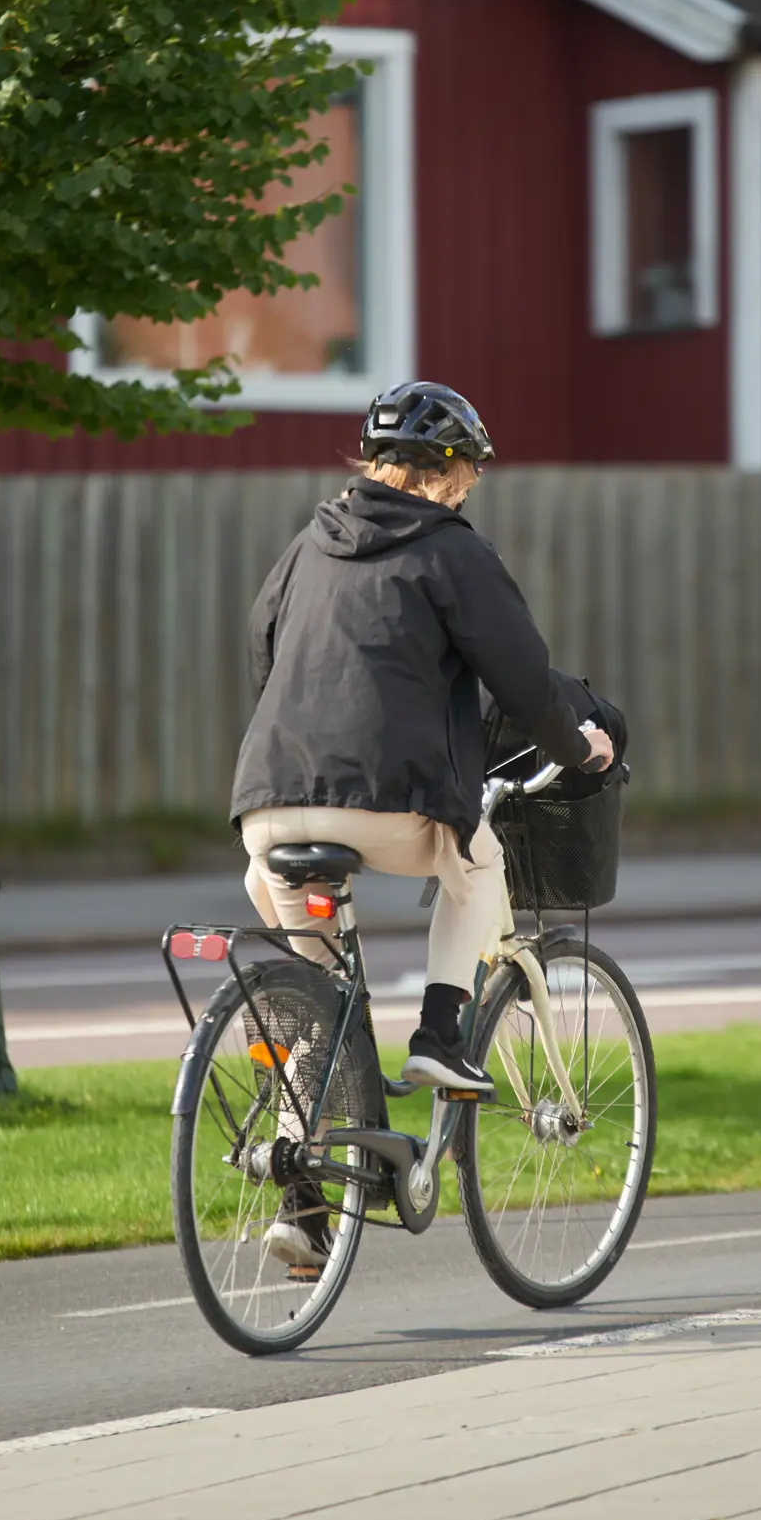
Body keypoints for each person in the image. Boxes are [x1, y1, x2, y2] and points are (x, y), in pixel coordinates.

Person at [231, 380, 613, 1271]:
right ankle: (441, 1037)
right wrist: (581, 747)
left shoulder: (307, 544)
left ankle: (303, 1203)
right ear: (445, 472)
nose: (471, 488)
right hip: (383, 803)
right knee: (477, 861)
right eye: (470, 472)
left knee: (316, 1013)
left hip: (267, 806)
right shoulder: (450, 551)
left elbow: (262, 649)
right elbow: (525, 681)